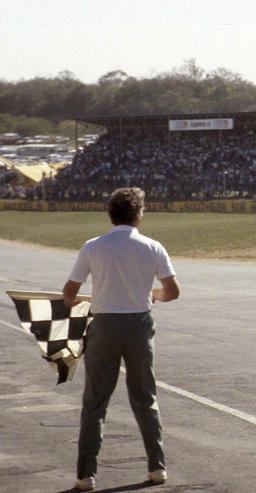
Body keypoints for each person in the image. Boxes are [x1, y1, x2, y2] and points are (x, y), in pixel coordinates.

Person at [62, 187, 180, 492]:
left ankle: (86, 474)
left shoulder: (92, 246)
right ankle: (157, 467)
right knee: (145, 399)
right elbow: (173, 291)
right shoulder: (153, 247)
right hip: (139, 325)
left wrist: (74, 301)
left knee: (95, 402)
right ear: (139, 216)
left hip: (104, 325)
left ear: (110, 215)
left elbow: (69, 292)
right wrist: (153, 294)